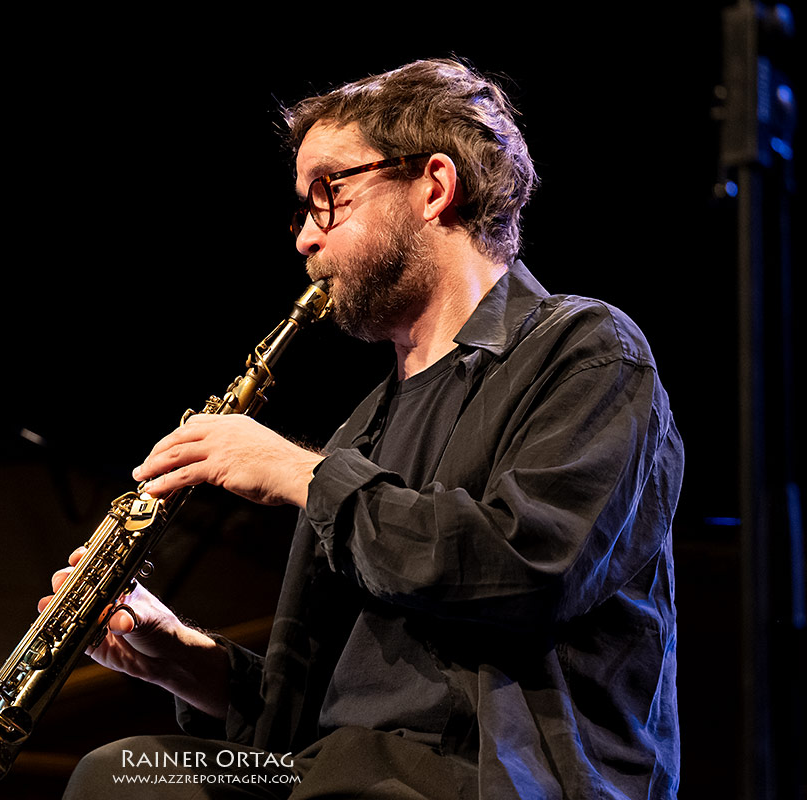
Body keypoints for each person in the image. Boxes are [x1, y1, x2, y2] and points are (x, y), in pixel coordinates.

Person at [44, 57, 683, 799]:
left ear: (434, 188)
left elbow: (525, 570)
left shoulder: (588, 350)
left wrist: (303, 474)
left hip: (490, 779)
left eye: (329, 195)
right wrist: (183, 659)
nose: (304, 240)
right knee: (125, 776)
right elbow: (331, 703)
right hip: (340, 774)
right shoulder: (365, 427)